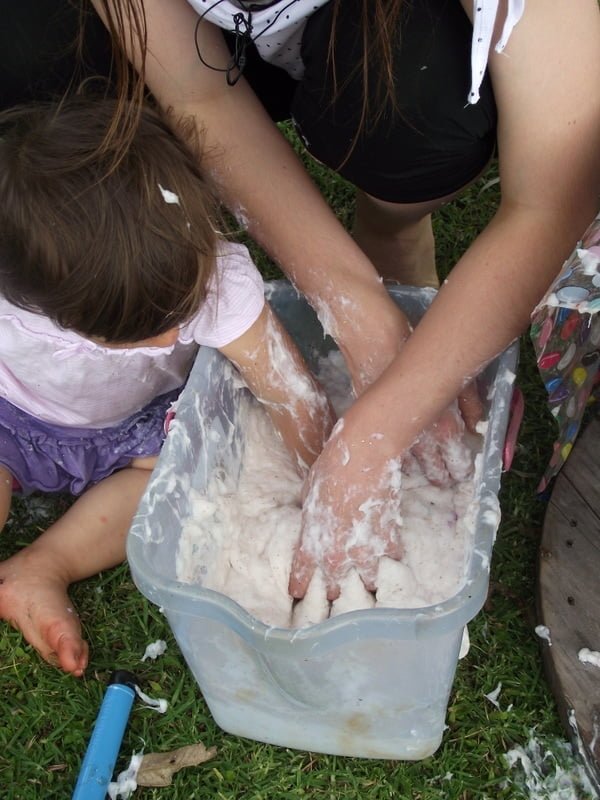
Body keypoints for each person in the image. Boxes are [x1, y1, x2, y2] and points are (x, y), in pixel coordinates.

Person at [4, 1, 599, 600]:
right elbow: (199, 95)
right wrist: (359, 315)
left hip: (378, 53)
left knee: (414, 85)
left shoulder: (218, 288)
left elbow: (549, 202)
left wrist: (379, 431)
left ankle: (394, 234)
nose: (170, 337)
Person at [0, 97, 334, 676]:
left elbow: (290, 394)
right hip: (12, 417)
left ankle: (44, 566)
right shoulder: (14, 297)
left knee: (175, 483)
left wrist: (330, 489)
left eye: (181, 314)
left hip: (140, 432)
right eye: (134, 334)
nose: (172, 338)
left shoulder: (212, 277)